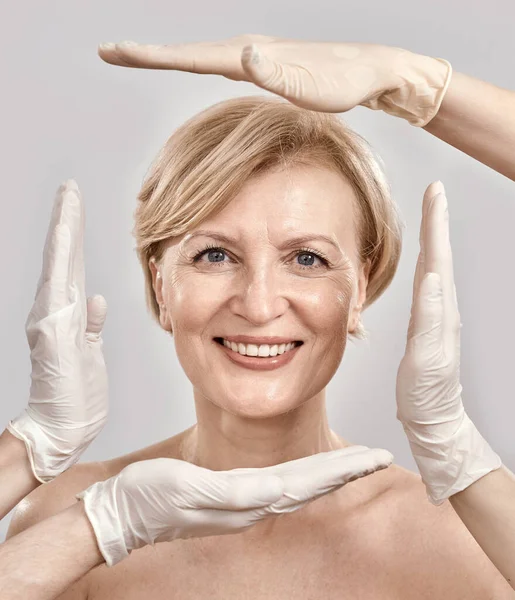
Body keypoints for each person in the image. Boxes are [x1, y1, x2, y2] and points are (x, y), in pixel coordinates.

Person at [1, 35, 514, 599]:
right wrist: (32, 458)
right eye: (215, 255)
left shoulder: (461, 538)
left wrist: (418, 84)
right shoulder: (67, 519)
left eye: (307, 258)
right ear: (160, 284)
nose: (260, 302)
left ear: (360, 287)